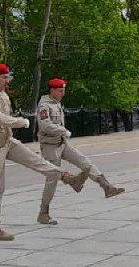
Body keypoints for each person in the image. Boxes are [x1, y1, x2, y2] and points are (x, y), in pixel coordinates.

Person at [0, 63, 87, 240]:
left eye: (7, 77)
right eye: (4, 77)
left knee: (35, 160)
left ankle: (69, 178)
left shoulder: (1, 94)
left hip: (5, 140)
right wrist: (21, 122)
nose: (7, 81)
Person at [35, 78, 125, 225]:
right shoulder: (44, 105)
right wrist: (63, 130)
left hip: (62, 143)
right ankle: (43, 213)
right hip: (50, 146)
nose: (63, 93)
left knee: (84, 162)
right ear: (52, 90)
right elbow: (45, 126)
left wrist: (62, 134)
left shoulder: (56, 102)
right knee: (52, 179)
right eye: (60, 91)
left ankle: (106, 186)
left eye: (63, 90)